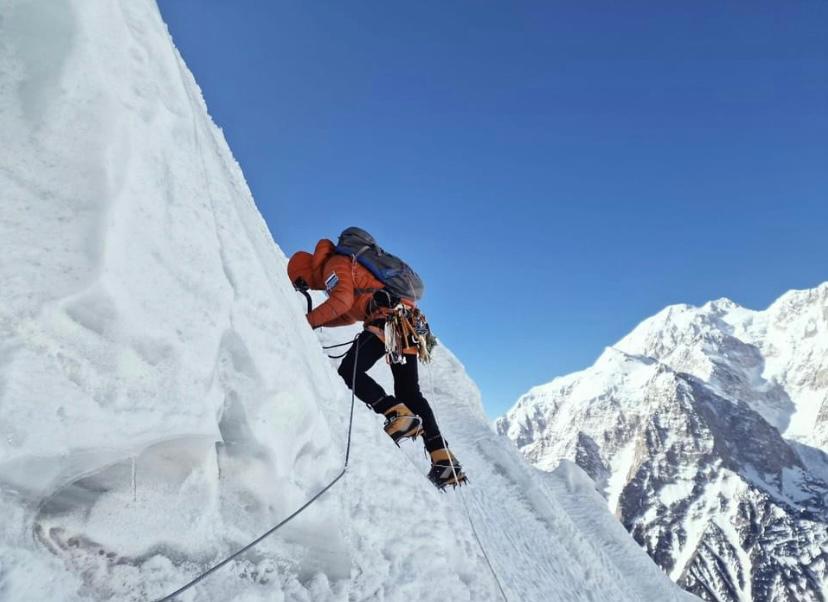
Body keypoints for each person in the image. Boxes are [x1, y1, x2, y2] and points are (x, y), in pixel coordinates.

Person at [287, 229, 466, 489]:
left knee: (349, 371)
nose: (305, 287)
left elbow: (342, 301)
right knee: (409, 391)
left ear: (303, 272)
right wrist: (316, 324)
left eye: (300, 283)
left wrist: (303, 323)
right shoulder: (348, 264)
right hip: (409, 324)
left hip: (387, 320)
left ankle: (397, 415)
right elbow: (348, 313)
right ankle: (443, 460)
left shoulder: (333, 264)